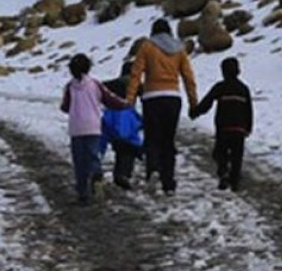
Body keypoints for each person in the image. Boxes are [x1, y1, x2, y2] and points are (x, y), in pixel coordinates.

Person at [126, 18, 198, 196]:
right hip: (173, 98)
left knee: (152, 138)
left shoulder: (147, 47)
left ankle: (153, 171)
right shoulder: (179, 49)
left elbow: (135, 74)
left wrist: (130, 100)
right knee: (168, 140)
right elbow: (188, 77)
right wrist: (193, 102)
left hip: (152, 98)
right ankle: (169, 183)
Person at [60, 54, 129, 205]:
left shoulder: (70, 87)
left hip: (76, 127)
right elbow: (110, 99)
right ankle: (96, 175)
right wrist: (124, 104)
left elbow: (65, 107)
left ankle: (82, 193)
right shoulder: (95, 84)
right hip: (93, 126)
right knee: (93, 155)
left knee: (79, 161)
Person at [190, 57, 253, 192]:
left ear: (223, 72)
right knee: (237, 155)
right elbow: (249, 110)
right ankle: (235, 181)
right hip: (239, 128)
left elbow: (207, 102)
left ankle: (223, 173)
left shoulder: (220, 87)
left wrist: (195, 112)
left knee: (219, 153)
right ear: (238, 71)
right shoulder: (244, 89)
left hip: (223, 127)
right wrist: (248, 127)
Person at [100, 61, 144, 190]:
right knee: (128, 148)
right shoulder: (136, 85)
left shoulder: (111, 84)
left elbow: (100, 89)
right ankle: (123, 174)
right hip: (127, 119)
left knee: (118, 146)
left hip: (111, 119)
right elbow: (146, 95)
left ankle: (115, 174)